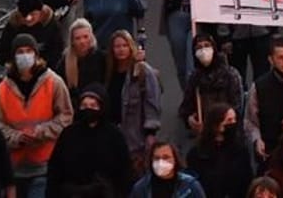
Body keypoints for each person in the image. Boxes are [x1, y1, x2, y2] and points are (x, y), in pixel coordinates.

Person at [0, 33, 75, 198]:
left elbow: (66, 116)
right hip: (13, 167)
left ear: (36, 54)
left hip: (45, 164)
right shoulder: (2, 89)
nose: (25, 55)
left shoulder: (53, 82)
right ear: (13, 56)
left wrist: (41, 132)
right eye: (20, 51)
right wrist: (16, 137)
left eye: (29, 50)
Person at [45, 87, 133, 198]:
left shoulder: (114, 135)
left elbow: (124, 171)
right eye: (84, 105)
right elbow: (55, 169)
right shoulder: (69, 134)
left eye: (93, 106)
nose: (88, 109)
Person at [104, 30, 162, 163]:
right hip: (113, 135)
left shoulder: (143, 71)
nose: (121, 50)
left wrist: (150, 133)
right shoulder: (108, 73)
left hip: (137, 138)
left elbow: (152, 101)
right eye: (117, 46)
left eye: (124, 45)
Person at [187, 103, 255, 198]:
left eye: (234, 119)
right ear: (216, 125)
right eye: (229, 120)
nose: (233, 123)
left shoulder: (240, 150)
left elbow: (247, 180)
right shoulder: (197, 153)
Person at [132, 142, 208, 198]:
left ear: (175, 160)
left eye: (166, 157)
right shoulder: (141, 188)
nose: (161, 162)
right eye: (156, 158)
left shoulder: (190, 186)